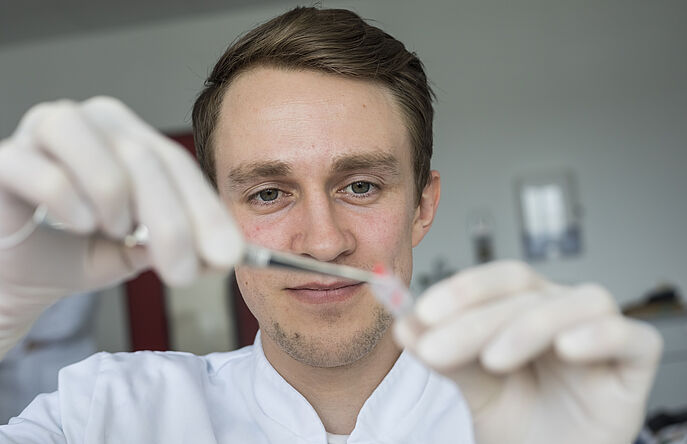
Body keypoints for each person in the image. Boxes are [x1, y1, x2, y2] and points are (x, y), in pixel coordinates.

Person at [0, 6, 662, 444]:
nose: (322, 241)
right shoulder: (105, 415)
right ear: (215, 215)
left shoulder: (537, 416)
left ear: (422, 207)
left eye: (361, 185)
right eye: (267, 193)